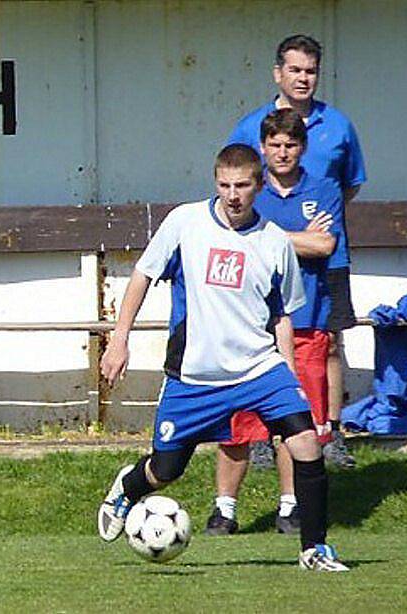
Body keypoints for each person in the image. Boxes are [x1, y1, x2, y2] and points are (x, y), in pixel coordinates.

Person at [97, 144, 348, 571]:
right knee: (166, 468)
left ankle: (315, 549)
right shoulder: (185, 222)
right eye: (224, 185)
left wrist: (287, 370)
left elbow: (281, 314)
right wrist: (119, 340)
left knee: (306, 443)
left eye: (242, 186)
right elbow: (142, 275)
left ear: (260, 185)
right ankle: (128, 486)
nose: (232, 195)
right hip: (196, 375)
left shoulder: (274, 242)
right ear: (216, 183)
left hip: (259, 368)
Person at [228, 34, 366, 467]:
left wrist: (317, 225)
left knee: (326, 344)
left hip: (327, 260)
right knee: (261, 342)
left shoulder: (338, 125)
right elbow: (235, 186)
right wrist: (287, 235)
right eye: (295, 70)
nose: (303, 78)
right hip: (264, 264)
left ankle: (331, 432)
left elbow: (350, 184)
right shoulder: (251, 126)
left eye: (310, 71)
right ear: (278, 74)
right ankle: (261, 435)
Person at [205, 109, 342, 537]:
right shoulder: (249, 189)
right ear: (263, 149)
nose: (282, 152)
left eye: (291, 145)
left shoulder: (324, 189)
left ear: (302, 148)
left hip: (306, 321)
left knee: (297, 422)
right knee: (237, 422)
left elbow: (324, 244)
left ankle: (290, 507)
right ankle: (224, 509)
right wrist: (295, 235)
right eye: (275, 145)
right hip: (249, 325)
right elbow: (230, 236)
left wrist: (268, 235)